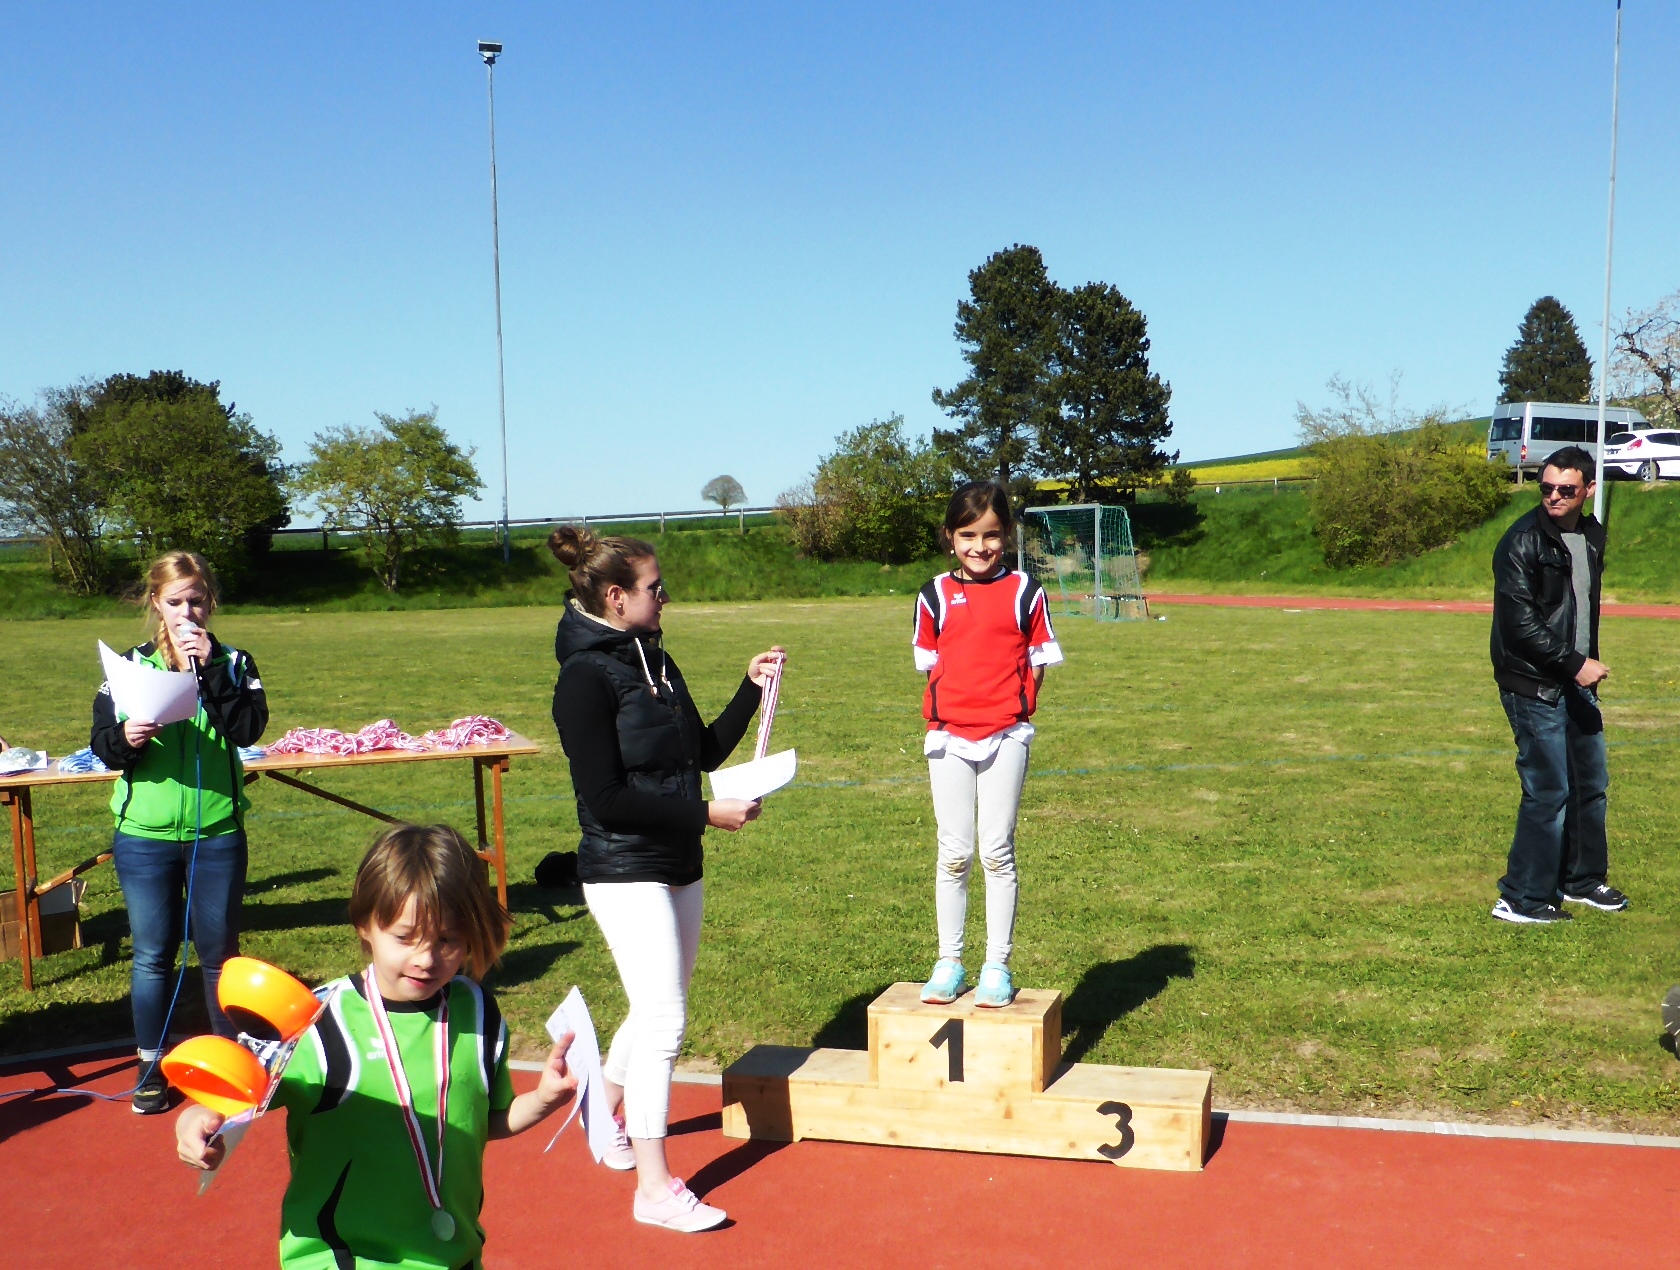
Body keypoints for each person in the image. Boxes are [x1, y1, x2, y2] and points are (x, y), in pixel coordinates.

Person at [176, 823, 577, 1269]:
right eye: (405, 937)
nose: (426, 958)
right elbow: (232, 1100)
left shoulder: (478, 1011)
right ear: (365, 924)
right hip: (342, 1258)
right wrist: (196, 1121)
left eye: (447, 939)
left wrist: (542, 1100)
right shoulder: (317, 1022)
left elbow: (481, 1122)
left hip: (452, 1255)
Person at [549, 525, 781, 1234]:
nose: (666, 597)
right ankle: (654, 1189)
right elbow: (606, 798)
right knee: (664, 1020)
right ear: (616, 598)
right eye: (655, 588)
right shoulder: (583, 679)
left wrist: (749, 688)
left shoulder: (655, 656)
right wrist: (706, 813)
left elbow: (700, 751)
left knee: (657, 1005)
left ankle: (601, 1108)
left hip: (679, 862)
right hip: (622, 867)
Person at [90, 550, 268, 1113]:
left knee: (219, 954)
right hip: (144, 834)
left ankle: (229, 1064)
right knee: (152, 954)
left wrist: (211, 669)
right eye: (175, 602)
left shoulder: (235, 661)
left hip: (216, 831)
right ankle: (150, 1066)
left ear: (210, 602)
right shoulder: (129, 665)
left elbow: (248, 729)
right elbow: (103, 745)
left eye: (197, 600)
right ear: (156, 604)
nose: (187, 612)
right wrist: (127, 738)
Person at [912, 482, 1062, 1008]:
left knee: (997, 851)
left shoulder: (1026, 591)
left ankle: (996, 965)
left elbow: (1039, 660)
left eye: (992, 535)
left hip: (1006, 735)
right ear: (950, 537)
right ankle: (949, 962)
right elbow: (931, 665)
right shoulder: (932, 594)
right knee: (954, 853)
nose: (980, 546)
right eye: (968, 535)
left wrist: (1013, 706)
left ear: (1008, 536)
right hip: (948, 737)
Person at [1489, 445, 1627, 924]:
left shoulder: (1591, 535)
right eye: (1546, 487)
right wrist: (1574, 663)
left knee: (1591, 785)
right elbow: (1519, 624)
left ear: (1589, 490)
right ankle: (1521, 897)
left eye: (1566, 489)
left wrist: (1580, 667)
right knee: (1548, 791)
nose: (1553, 496)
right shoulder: (1521, 541)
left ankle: (1581, 880)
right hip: (1534, 684)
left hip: (1576, 680)